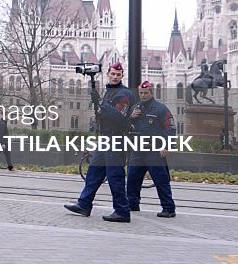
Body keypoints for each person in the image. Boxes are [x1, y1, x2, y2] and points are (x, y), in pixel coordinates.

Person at [65, 63, 136, 223]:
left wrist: (101, 104)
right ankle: (84, 204)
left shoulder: (124, 94)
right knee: (94, 173)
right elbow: (106, 114)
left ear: (122, 75)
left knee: (115, 176)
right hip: (106, 139)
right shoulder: (110, 92)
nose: (115, 76)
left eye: (118, 74)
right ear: (108, 74)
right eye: (113, 74)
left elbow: (119, 116)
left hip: (116, 139)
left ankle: (122, 211)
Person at [127, 81, 176, 218]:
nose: (143, 95)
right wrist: (131, 118)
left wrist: (167, 146)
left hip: (154, 150)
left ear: (151, 93)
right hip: (138, 149)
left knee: (161, 181)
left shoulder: (161, 109)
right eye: (141, 93)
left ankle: (168, 208)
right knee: (132, 179)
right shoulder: (136, 108)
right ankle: (132, 204)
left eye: (146, 93)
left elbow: (170, 128)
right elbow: (127, 127)